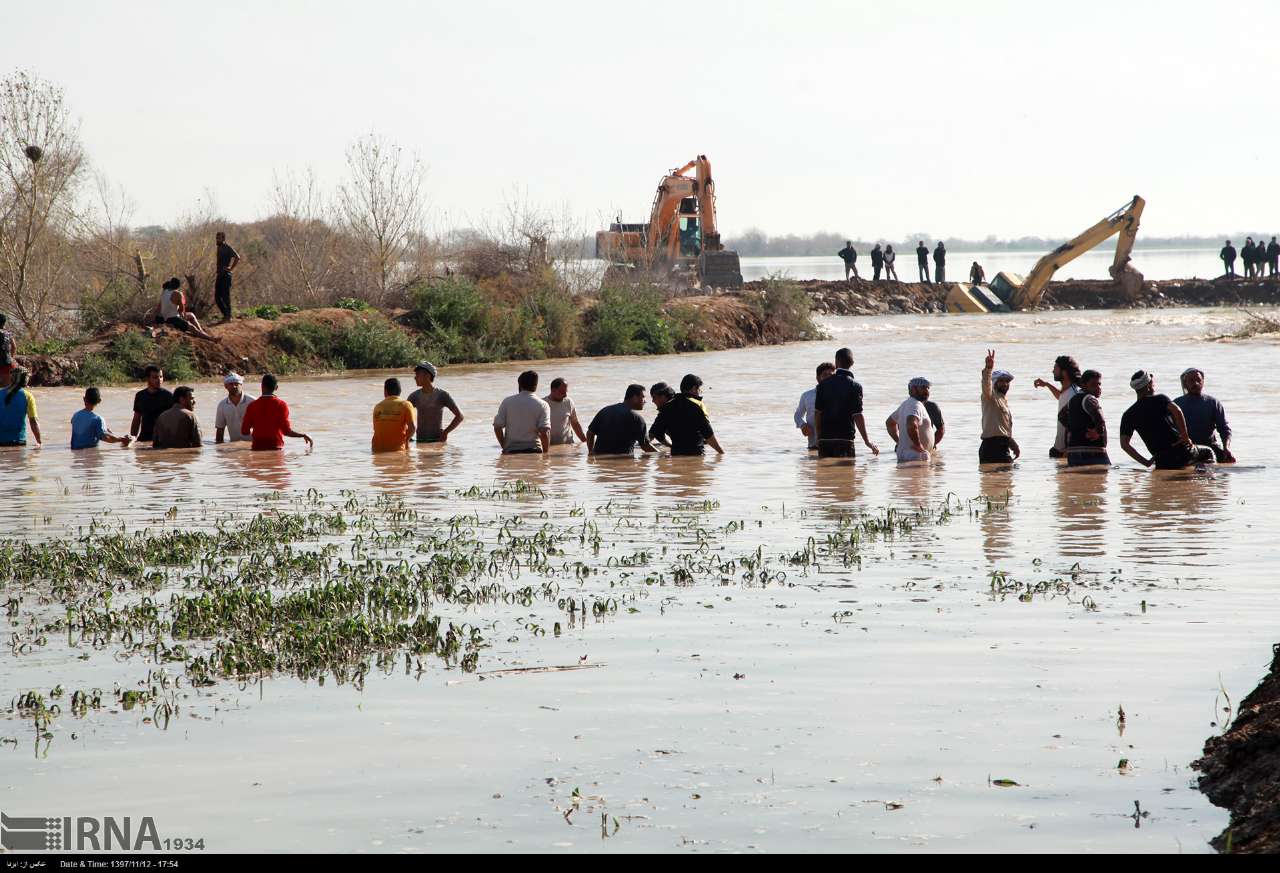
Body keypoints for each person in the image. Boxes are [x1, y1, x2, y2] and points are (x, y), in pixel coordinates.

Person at [1119, 370, 1213, 469]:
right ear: (1148, 386)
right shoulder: (1160, 399)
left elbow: (1124, 444)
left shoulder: (1128, 414)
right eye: (1152, 383)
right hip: (1181, 451)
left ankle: (1187, 479)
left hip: (1161, 459)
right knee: (1208, 453)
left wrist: (1146, 462)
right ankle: (1202, 482)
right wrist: (1185, 437)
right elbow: (1177, 411)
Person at [813, 347, 878, 458]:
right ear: (852, 363)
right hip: (845, 440)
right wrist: (867, 441)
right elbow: (858, 415)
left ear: (836, 362)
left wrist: (818, 437)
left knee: (824, 474)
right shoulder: (855, 386)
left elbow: (817, 414)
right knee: (846, 474)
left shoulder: (822, 385)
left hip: (825, 440)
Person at [649, 374, 724, 456]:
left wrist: (671, 446)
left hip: (676, 454)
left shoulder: (666, 408)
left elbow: (657, 432)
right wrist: (721, 452)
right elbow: (707, 432)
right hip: (696, 454)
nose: (699, 392)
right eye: (699, 389)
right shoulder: (695, 405)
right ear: (694, 388)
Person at [1175, 368, 1235, 462]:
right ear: (1185, 384)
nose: (1195, 383)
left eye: (1198, 380)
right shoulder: (1176, 404)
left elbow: (1224, 429)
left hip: (1210, 448)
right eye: (1191, 380)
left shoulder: (1213, 403)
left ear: (1203, 382)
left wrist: (1226, 448)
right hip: (1187, 448)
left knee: (1229, 463)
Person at [241, 373, 313, 451]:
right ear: (276, 387)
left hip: (257, 448)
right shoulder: (281, 405)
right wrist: (303, 435)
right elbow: (286, 431)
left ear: (261, 386)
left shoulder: (252, 406)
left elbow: (244, 431)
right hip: (275, 448)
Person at [587, 384, 657, 456]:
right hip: (623, 461)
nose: (645, 401)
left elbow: (590, 433)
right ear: (635, 397)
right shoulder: (637, 419)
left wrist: (590, 452)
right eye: (643, 397)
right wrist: (660, 455)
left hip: (600, 462)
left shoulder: (605, 411)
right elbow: (645, 446)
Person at [1033, 354, 1082, 459]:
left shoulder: (1074, 395)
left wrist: (1068, 451)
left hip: (1066, 451)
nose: (1053, 371)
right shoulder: (1067, 391)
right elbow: (1060, 396)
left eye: (1055, 368)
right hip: (1059, 449)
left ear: (1064, 372)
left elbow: (1077, 424)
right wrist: (1047, 385)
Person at [1058, 369, 1110, 466]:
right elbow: (1099, 418)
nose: (1098, 388)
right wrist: (1098, 432)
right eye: (1094, 384)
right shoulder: (1090, 399)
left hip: (1073, 454)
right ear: (1083, 385)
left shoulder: (1072, 400)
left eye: (1099, 384)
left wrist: (1075, 430)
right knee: (1100, 479)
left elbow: (1061, 416)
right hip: (1092, 453)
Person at [493, 370, 551, 454]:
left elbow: (497, 426)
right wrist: (545, 454)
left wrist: (504, 445)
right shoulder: (543, 404)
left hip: (511, 450)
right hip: (534, 450)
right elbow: (544, 432)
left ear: (519, 384)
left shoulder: (507, 402)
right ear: (536, 385)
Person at [406, 361, 463, 444]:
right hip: (420, 442)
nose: (415, 378)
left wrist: (445, 432)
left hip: (437, 442)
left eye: (418, 374)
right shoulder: (414, 396)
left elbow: (460, 416)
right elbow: (403, 417)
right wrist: (408, 436)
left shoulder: (442, 395)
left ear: (427, 376)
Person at [980, 349, 1019, 463]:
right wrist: (988, 369)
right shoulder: (989, 396)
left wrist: (1012, 443)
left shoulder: (1003, 401)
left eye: (1007, 381)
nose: (1005, 384)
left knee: (1004, 479)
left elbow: (1003, 429)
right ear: (994, 382)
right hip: (991, 447)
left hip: (1003, 445)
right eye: (1001, 381)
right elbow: (986, 385)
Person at [153, 277, 219, 341]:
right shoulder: (178, 294)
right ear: (178, 286)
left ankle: (201, 331)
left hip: (163, 318)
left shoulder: (164, 292)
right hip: (173, 319)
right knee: (192, 328)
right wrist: (184, 319)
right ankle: (211, 339)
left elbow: (159, 308)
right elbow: (181, 310)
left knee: (191, 315)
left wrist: (155, 319)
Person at [885, 377, 935, 462]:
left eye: (928, 388)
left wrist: (899, 442)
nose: (927, 391)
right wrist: (918, 445)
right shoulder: (915, 405)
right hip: (916, 456)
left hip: (908, 455)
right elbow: (911, 424)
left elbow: (889, 423)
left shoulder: (906, 404)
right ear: (913, 389)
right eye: (923, 387)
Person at [794, 362, 835, 450]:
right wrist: (802, 425)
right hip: (814, 445)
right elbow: (797, 415)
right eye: (825, 375)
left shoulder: (839, 395)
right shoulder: (807, 395)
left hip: (834, 444)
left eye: (831, 375)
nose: (828, 377)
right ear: (818, 378)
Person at [130, 365, 174, 443]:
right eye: (155, 377)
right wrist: (132, 438)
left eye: (161, 377)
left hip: (162, 439)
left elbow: (174, 418)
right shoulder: (140, 395)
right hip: (144, 439)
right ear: (147, 379)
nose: (159, 380)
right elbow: (136, 418)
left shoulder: (168, 396)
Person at [371, 377, 415, 453]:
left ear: (385, 391)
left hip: (376, 449)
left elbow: (376, 429)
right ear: (400, 391)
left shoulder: (378, 406)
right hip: (397, 449)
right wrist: (406, 441)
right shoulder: (406, 405)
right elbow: (412, 428)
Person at [0, 367, 40, 447]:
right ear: (24, 379)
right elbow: (33, 421)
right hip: (19, 440)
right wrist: (39, 441)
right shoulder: (28, 396)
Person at [545, 377, 588, 445]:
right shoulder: (543, 404)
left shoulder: (568, 402)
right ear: (553, 390)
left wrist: (585, 442)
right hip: (550, 446)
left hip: (568, 445)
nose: (565, 395)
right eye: (562, 392)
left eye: (566, 392)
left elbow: (575, 424)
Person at [214, 372, 255, 443]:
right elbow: (220, 430)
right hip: (234, 444)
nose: (234, 386)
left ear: (241, 385)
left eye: (236, 384)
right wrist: (219, 450)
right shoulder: (222, 405)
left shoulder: (253, 402)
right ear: (226, 386)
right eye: (231, 384)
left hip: (253, 444)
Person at [214, 231, 240, 323]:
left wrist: (230, 268)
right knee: (217, 297)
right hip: (219, 275)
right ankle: (226, 315)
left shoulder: (227, 248)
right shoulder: (219, 247)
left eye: (219, 238)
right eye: (216, 238)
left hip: (226, 275)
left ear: (223, 239)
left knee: (225, 297)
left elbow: (237, 257)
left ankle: (228, 317)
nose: (217, 239)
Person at [649, 382, 675, 447]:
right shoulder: (684, 403)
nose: (652, 401)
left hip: (683, 450)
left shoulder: (665, 412)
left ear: (663, 397)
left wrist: (670, 446)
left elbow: (656, 433)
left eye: (654, 397)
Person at [0, 311, 16, 383]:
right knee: (6, 385)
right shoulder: (8, 333)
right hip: (7, 361)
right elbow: (14, 346)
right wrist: (11, 357)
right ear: (4, 322)